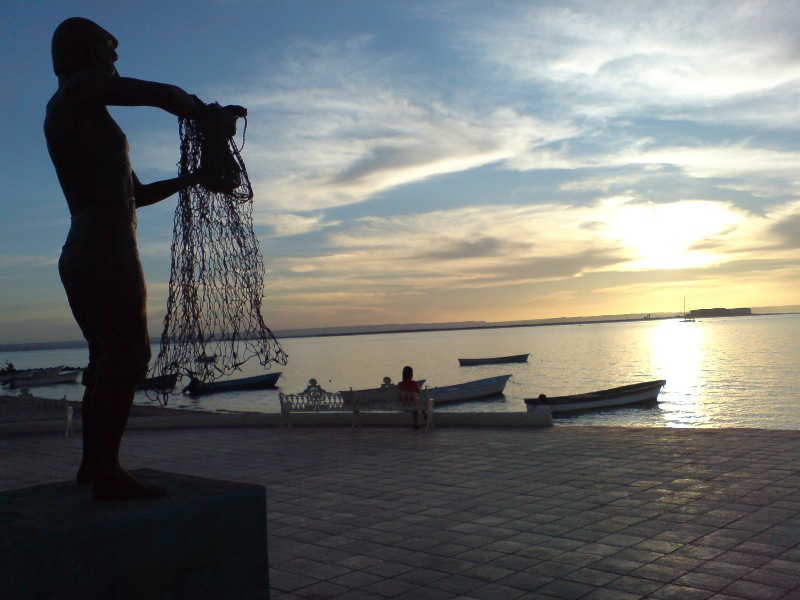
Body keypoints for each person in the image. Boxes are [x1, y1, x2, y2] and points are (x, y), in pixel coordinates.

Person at [44, 17, 242, 501]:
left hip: (87, 247)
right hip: (104, 246)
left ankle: (94, 466)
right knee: (129, 356)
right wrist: (203, 111)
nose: (115, 58)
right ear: (85, 52)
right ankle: (108, 472)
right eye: (108, 47)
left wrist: (194, 178)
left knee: (105, 358)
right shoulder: (77, 90)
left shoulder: (83, 113)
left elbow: (138, 195)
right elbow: (161, 95)